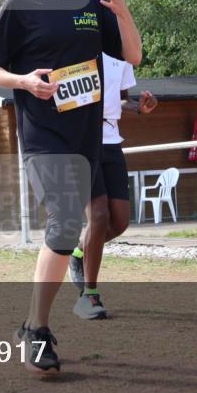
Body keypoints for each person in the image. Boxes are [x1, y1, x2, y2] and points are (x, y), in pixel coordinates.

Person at [0, 0, 141, 373]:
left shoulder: (92, 3)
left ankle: (33, 325)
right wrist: (25, 82)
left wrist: (123, 10)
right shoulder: (20, 7)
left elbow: (132, 54)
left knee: (76, 224)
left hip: (86, 134)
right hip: (42, 135)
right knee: (67, 221)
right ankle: (37, 330)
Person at [69, 54, 157, 319]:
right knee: (98, 215)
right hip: (81, 144)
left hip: (111, 143)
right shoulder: (75, 47)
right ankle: (89, 296)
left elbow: (121, 100)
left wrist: (141, 107)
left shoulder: (121, 55)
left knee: (118, 222)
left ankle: (78, 253)